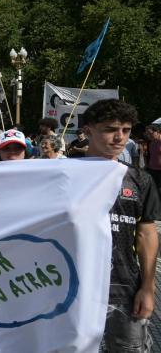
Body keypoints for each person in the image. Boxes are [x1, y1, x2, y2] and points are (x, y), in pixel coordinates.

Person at [81, 100, 160, 352]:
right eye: (110, 129)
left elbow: (147, 234)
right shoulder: (64, 172)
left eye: (126, 130)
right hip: (74, 287)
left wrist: (148, 287)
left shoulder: (140, 179)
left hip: (124, 289)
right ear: (88, 130)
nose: (119, 137)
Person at [145, 124, 161, 190]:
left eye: (150, 133)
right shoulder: (150, 142)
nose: (149, 136)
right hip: (152, 170)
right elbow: (149, 155)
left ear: (157, 131)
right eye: (147, 134)